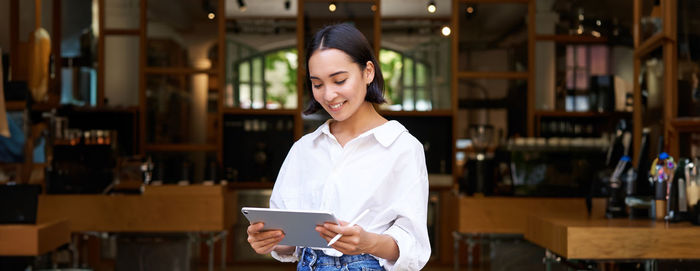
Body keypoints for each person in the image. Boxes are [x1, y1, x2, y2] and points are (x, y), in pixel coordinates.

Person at [245, 23, 430, 271]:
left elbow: (413, 247)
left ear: (368, 72)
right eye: (318, 84)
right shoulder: (304, 149)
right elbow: (288, 241)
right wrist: (270, 241)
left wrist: (369, 242)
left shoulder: (402, 147)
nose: (329, 95)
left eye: (339, 80)